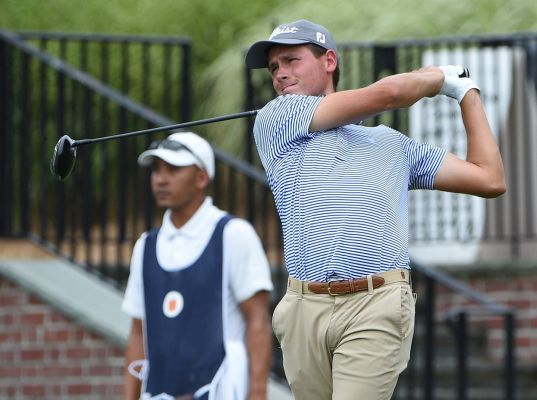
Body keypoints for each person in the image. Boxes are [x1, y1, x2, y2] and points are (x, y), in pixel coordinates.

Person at [245, 19, 505, 400]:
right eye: (273, 68)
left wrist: (466, 92)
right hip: (303, 307)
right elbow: (390, 94)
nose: (281, 74)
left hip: (375, 304)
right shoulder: (277, 119)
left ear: (328, 60)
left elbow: (489, 178)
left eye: (291, 60)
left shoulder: (391, 145)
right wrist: (434, 78)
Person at [121, 131, 274, 400]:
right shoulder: (145, 246)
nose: (160, 179)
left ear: (202, 177)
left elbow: (258, 321)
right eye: (156, 169)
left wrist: (257, 394)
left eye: (173, 169)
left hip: (220, 392)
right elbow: (137, 333)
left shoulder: (233, 234)